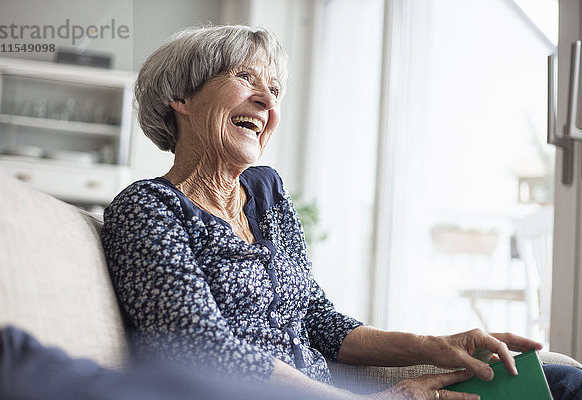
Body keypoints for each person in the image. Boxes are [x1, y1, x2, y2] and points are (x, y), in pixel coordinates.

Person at [101, 25, 582, 400]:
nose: (267, 101)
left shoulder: (265, 193)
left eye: (274, 88)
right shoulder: (148, 209)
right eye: (245, 77)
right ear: (180, 98)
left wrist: (435, 344)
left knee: (559, 382)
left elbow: (316, 319)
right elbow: (200, 350)